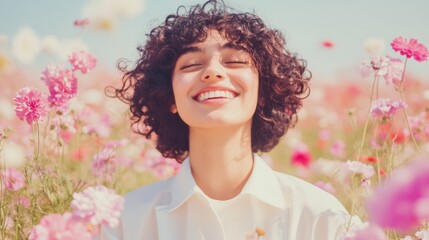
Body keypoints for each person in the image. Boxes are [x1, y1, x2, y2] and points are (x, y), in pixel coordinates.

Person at [102, 0, 359, 239]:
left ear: (263, 91)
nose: (213, 72)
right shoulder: (125, 222)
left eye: (235, 61)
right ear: (169, 98)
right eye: (190, 65)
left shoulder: (321, 217)